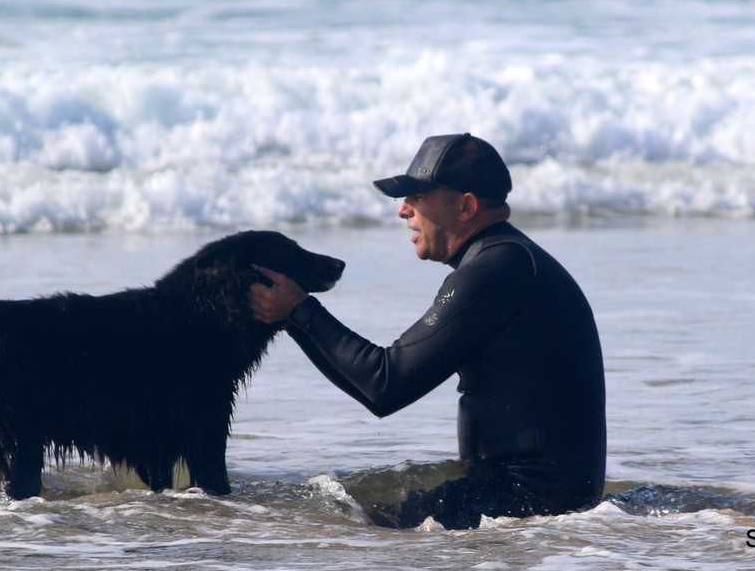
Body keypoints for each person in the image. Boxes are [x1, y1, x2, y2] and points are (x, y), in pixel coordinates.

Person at [248, 133, 606, 529]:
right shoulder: (514, 260)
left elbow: (384, 383)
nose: (403, 211)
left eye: (417, 198)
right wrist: (294, 314)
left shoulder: (493, 271)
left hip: (524, 500)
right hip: (546, 498)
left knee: (334, 526)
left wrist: (298, 310)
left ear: (466, 205)